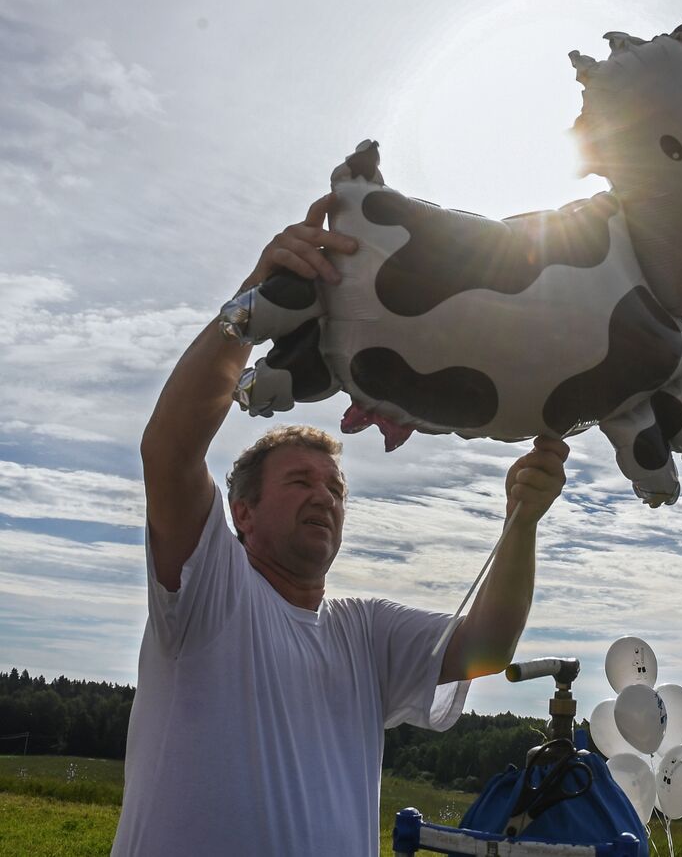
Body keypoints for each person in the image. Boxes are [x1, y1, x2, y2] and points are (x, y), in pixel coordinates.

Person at [111, 195, 569, 856]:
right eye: (299, 482)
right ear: (242, 512)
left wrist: (522, 523)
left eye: (335, 489)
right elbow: (170, 448)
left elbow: (487, 647)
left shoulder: (362, 631)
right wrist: (254, 306)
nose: (323, 498)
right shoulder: (212, 591)